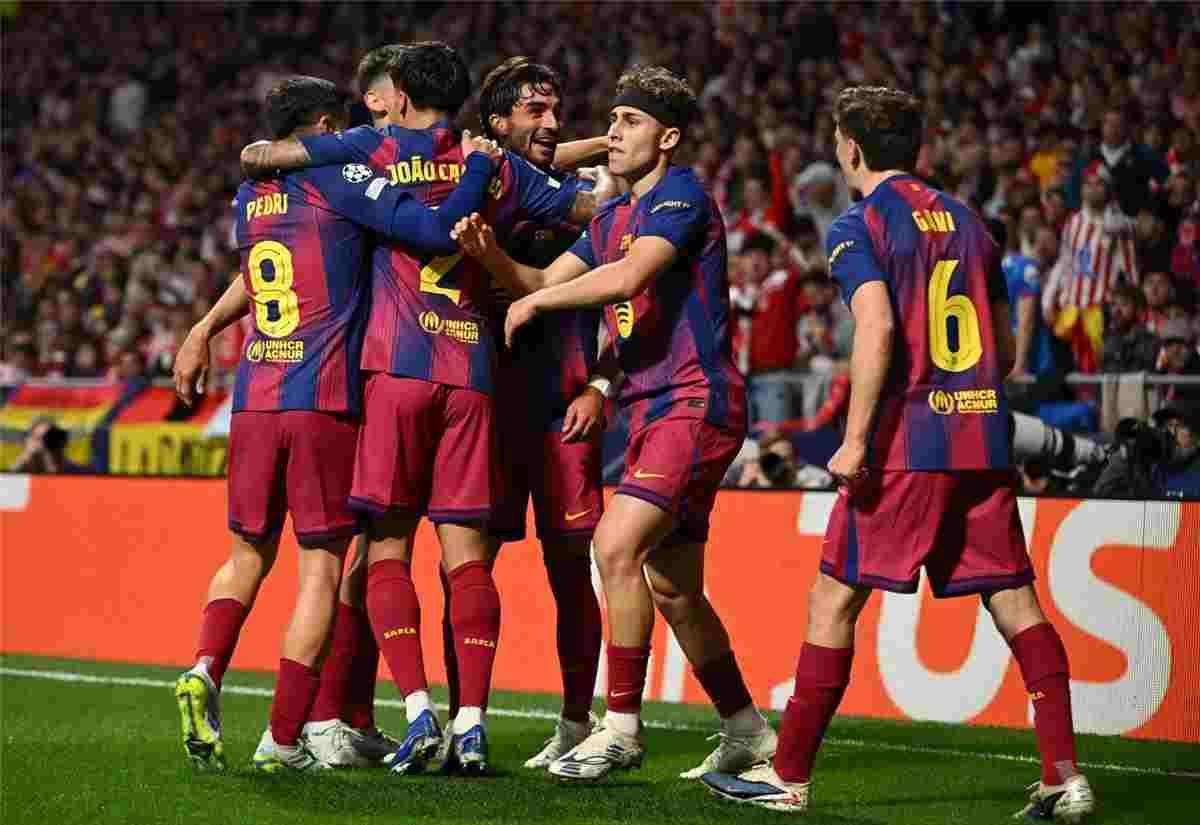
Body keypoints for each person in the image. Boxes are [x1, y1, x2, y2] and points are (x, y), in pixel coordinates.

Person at [700, 86, 1094, 821]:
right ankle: (1064, 777)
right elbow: (1007, 350)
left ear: (851, 148)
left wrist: (854, 441)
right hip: (980, 439)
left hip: (908, 443)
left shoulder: (861, 224)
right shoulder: (972, 223)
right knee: (1016, 601)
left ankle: (788, 776)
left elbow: (877, 327)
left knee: (833, 599)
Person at [239, 42, 608, 776]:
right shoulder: (497, 166)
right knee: (468, 559)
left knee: (384, 553)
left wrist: (264, 156)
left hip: (395, 371)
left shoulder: (368, 152)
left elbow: (271, 158)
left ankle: (413, 711)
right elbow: (594, 211)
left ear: (399, 96)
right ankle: (473, 723)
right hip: (473, 376)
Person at [171, 75, 501, 773]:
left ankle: (203, 666)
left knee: (244, 557)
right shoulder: (338, 178)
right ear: (324, 125)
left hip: (254, 394)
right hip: (321, 398)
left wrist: (202, 327)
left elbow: (258, 274)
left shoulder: (251, 194)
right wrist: (477, 167)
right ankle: (283, 738)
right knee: (320, 571)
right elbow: (432, 231)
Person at [455, 65, 776, 783]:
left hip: (694, 399)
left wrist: (536, 304)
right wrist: (492, 257)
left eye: (630, 122)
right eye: (613, 120)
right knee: (674, 587)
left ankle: (621, 728)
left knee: (613, 543)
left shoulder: (681, 197)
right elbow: (542, 279)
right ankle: (747, 730)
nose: (613, 134)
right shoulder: (607, 219)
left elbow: (627, 279)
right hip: (650, 408)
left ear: (667, 137)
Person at [435, 55, 615, 771]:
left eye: (555, 110)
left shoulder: (580, 198)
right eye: (535, 111)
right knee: (464, 566)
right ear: (498, 122)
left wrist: (601, 385)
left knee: (570, 568)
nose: (551, 122)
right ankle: (463, 720)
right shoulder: (476, 182)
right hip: (482, 407)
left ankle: (575, 722)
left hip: (563, 408)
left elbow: (629, 301)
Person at [8, 416, 86, 474]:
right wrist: (25, 455)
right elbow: (7, 482)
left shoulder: (74, 469)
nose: (43, 443)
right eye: (37, 438)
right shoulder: (25, 464)